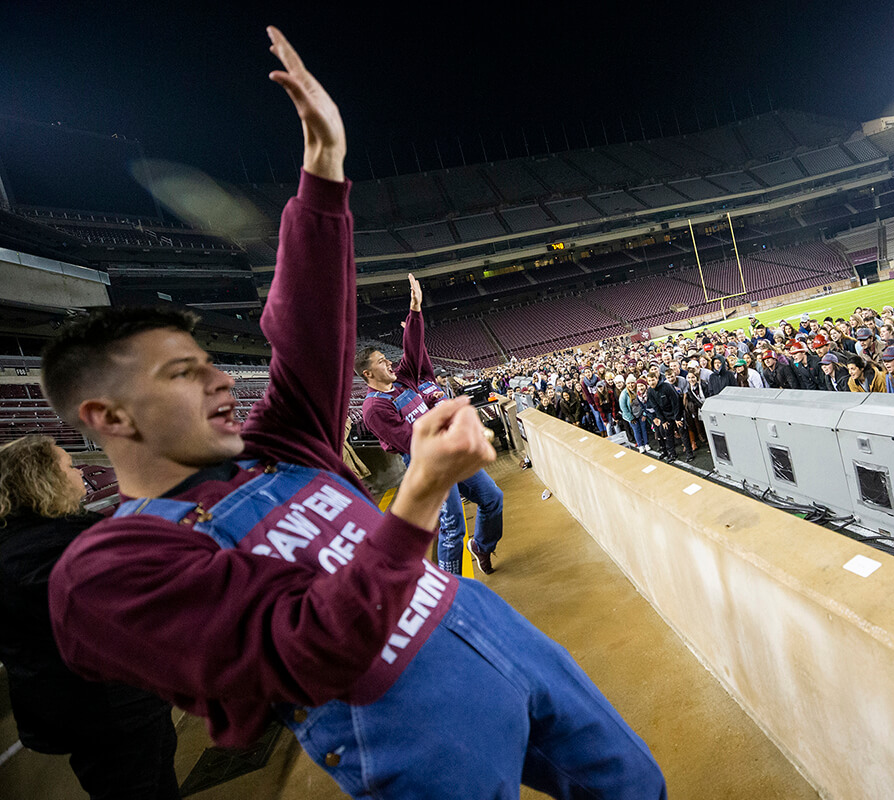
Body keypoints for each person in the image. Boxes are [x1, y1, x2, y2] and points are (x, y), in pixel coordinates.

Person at [42, 29, 664, 800]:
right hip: (401, 715)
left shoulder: (276, 444)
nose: (219, 384)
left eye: (208, 364)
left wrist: (325, 170)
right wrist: (417, 495)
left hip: (489, 630)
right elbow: (309, 655)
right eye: (182, 373)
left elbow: (306, 331)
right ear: (110, 416)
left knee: (638, 786)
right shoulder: (106, 571)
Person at [0, 436, 181, 800]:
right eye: (68, 465)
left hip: (125, 702)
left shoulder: (46, 535)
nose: (79, 470)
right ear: (43, 479)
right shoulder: (33, 551)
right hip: (105, 713)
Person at [357, 275, 503, 576]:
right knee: (453, 526)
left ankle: (483, 546)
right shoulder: (374, 407)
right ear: (368, 374)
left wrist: (415, 311)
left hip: (447, 449)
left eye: (388, 359)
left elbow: (413, 349)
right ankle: (454, 589)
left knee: (493, 498)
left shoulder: (404, 380)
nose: (390, 364)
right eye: (382, 362)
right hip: (426, 462)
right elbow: (409, 442)